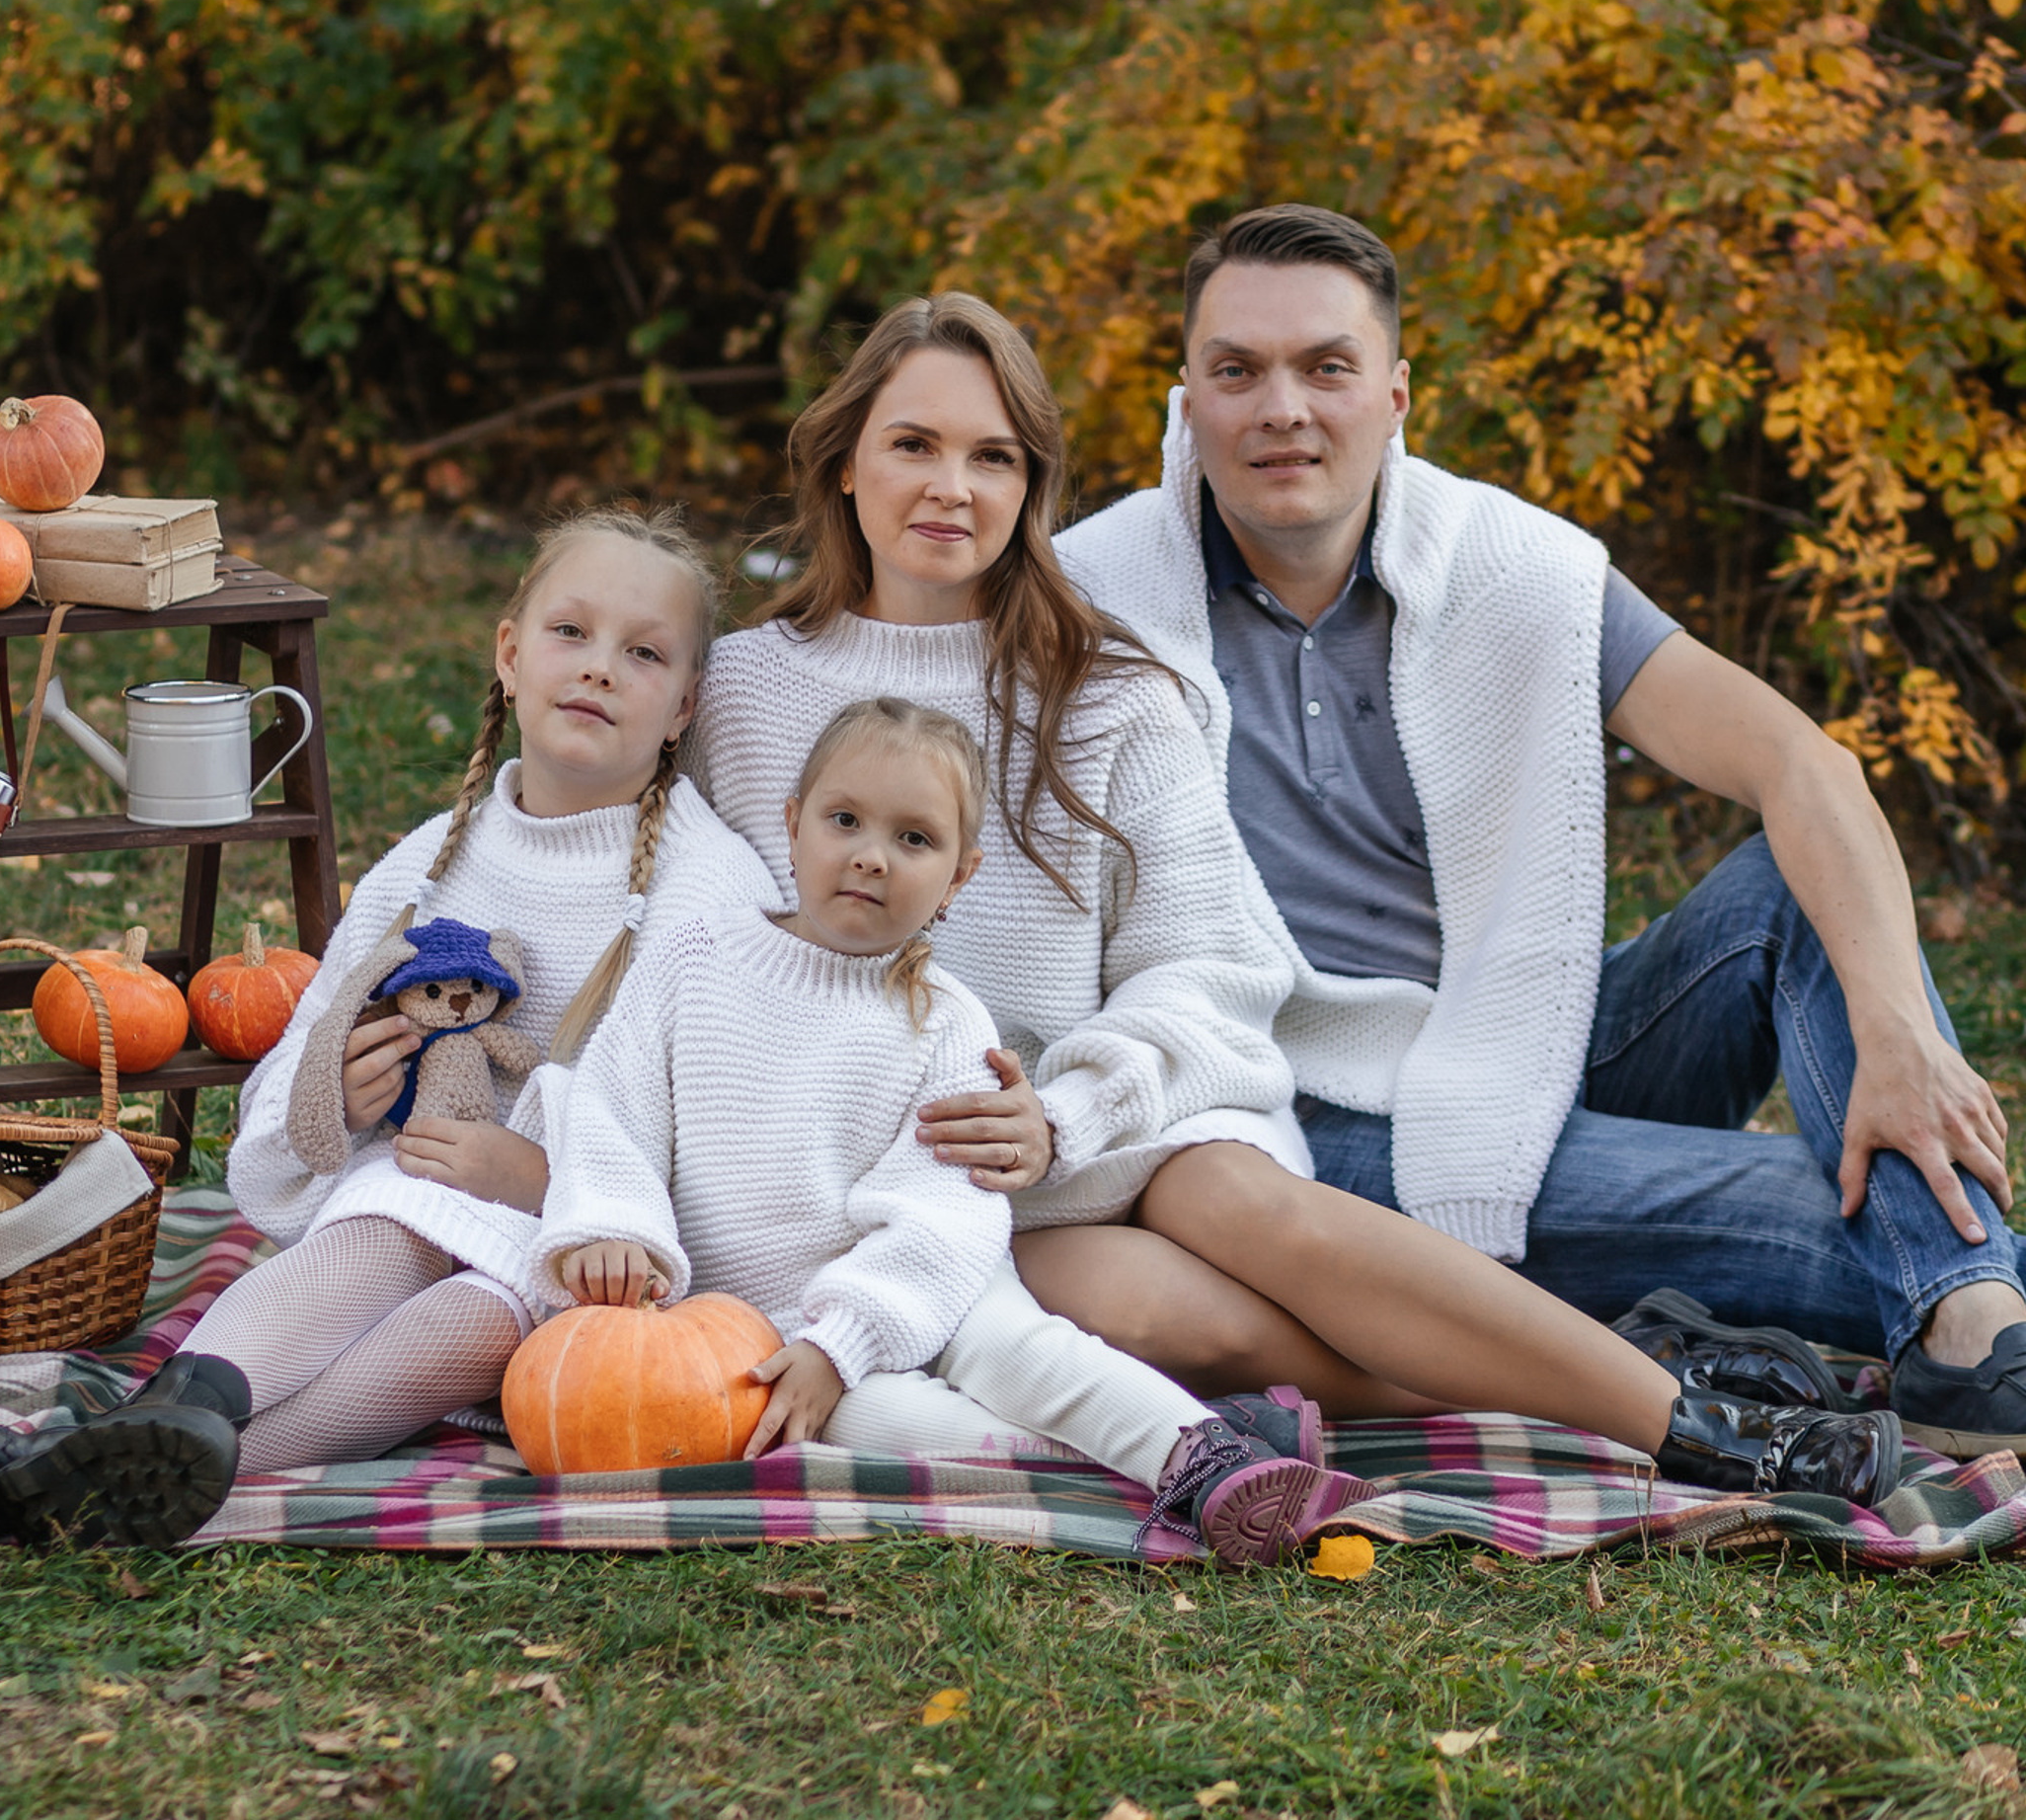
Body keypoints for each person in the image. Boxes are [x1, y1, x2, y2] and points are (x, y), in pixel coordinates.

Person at [691, 292, 1901, 1517]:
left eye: (992, 455)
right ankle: (1625, 1364)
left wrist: (1066, 1109)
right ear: (844, 461)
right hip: (868, 1167)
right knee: (1144, 1312)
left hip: (1098, 1124)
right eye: (914, 444)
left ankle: (1700, 1432)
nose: (951, 484)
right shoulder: (744, 693)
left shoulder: (1104, 689)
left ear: (1031, 487)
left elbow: (1210, 965)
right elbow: (690, 944)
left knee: (1230, 1193)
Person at [1054, 202, 2026, 1456]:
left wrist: (1896, 1036)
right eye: (1237, 369)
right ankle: (1973, 1322)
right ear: (1186, 395)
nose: (1280, 407)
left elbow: (1801, 761)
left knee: (1792, 898)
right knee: (1827, 1213)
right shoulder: (1087, 600)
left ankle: (1971, 1323)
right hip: (1305, 1121)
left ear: (1396, 394)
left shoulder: (1509, 566)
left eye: (1326, 367)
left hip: (1529, 1044)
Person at [0, 506, 778, 1553]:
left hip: (575, 1254)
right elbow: (302, 1068)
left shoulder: (710, 891)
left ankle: (71, 1469)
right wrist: (339, 1098)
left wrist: (536, 1179)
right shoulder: (429, 865)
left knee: (471, 1322)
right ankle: (151, 1436)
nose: (597, 669)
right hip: (404, 1206)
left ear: (683, 704)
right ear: (508, 653)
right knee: (392, 1221)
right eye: (570, 633)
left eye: (643, 654)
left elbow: (727, 1145)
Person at [537, 694, 1379, 1568]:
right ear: (793, 827)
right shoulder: (693, 959)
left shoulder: (943, 1024)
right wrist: (612, 1226)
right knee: (885, 1426)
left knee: (1023, 1355)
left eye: (914, 839)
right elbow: (611, 1107)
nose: (871, 855)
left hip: (931, 1287)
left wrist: (850, 1335)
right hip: (768, 1323)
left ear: (958, 875)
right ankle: (1208, 1459)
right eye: (845, 820)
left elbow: (944, 1213)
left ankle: (1200, 1458)